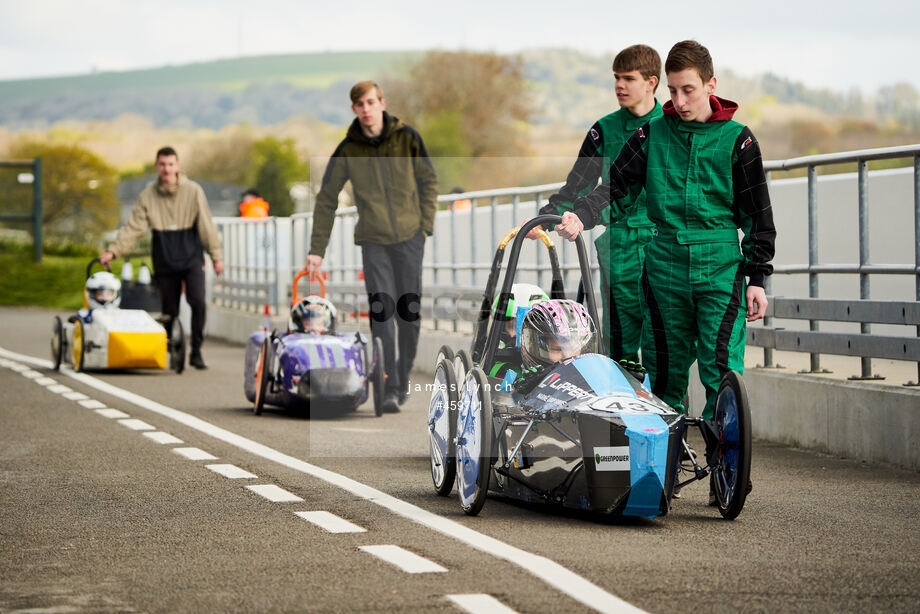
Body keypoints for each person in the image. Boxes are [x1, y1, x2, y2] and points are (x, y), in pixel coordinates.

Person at [553, 40, 775, 423]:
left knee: (720, 367)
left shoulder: (740, 140)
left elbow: (758, 215)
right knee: (665, 377)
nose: (680, 100)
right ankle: (664, 467)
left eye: (688, 89)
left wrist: (758, 277)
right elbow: (615, 190)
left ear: (710, 84)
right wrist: (581, 216)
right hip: (664, 269)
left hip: (721, 267)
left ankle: (725, 460)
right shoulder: (651, 135)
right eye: (672, 90)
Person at [304, 80, 438, 412]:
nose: (366, 109)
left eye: (370, 102)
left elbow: (429, 180)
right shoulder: (348, 149)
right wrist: (317, 249)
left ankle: (402, 376)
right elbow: (326, 199)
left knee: (408, 314)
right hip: (374, 241)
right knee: (382, 311)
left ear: (382, 103)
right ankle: (388, 384)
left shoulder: (407, 137)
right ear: (354, 109)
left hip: (410, 238)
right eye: (359, 104)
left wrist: (425, 226)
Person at [534, 44, 663, 364]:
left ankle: (668, 410)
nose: (619, 85)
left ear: (652, 82)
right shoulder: (603, 130)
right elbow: (577, 186)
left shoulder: (671, 126)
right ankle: (620, 409)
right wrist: (545, 218)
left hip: (663, 243)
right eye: (616, 78)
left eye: (628, 79)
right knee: (619, 339)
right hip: (618, 245)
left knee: (664, 337)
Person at [100, 146, 224, 370]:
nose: (167, 169)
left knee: (197, 300)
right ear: (157, 167)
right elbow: (133, 227)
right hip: (164, 255)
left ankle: (196, 350)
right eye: (163, 165)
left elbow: (206, 225)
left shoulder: (194, 191)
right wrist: (114, 250)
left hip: (190, 254)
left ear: (177, 166)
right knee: (170, 310)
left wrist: (216, 256)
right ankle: (172, 348)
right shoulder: (147, 195)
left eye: (171, 164)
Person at [512, 299, 598, 393]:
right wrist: (530, 392)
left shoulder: (594, 377)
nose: (567, 356)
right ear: (533, 347)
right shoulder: (512, 378)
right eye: (557, 349)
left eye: (573, 348)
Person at [488, 282, 549, 378]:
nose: (514, 335)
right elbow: (501, 390)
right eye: (511, 326)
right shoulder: (491, 364)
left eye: (523, 329)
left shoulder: (552, 360)